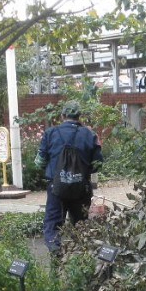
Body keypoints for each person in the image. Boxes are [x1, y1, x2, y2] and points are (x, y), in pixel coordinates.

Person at [35, 101, 103, 255]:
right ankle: (83, 256)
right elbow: (98, 164)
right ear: (79, 116)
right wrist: (82, 171)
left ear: (62, 116)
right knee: (82, 225)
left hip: (56, 189)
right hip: (81, 189)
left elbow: (39, 162)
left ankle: (56, 252)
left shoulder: (50, 133)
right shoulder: (90, 135)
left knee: (53, 223)